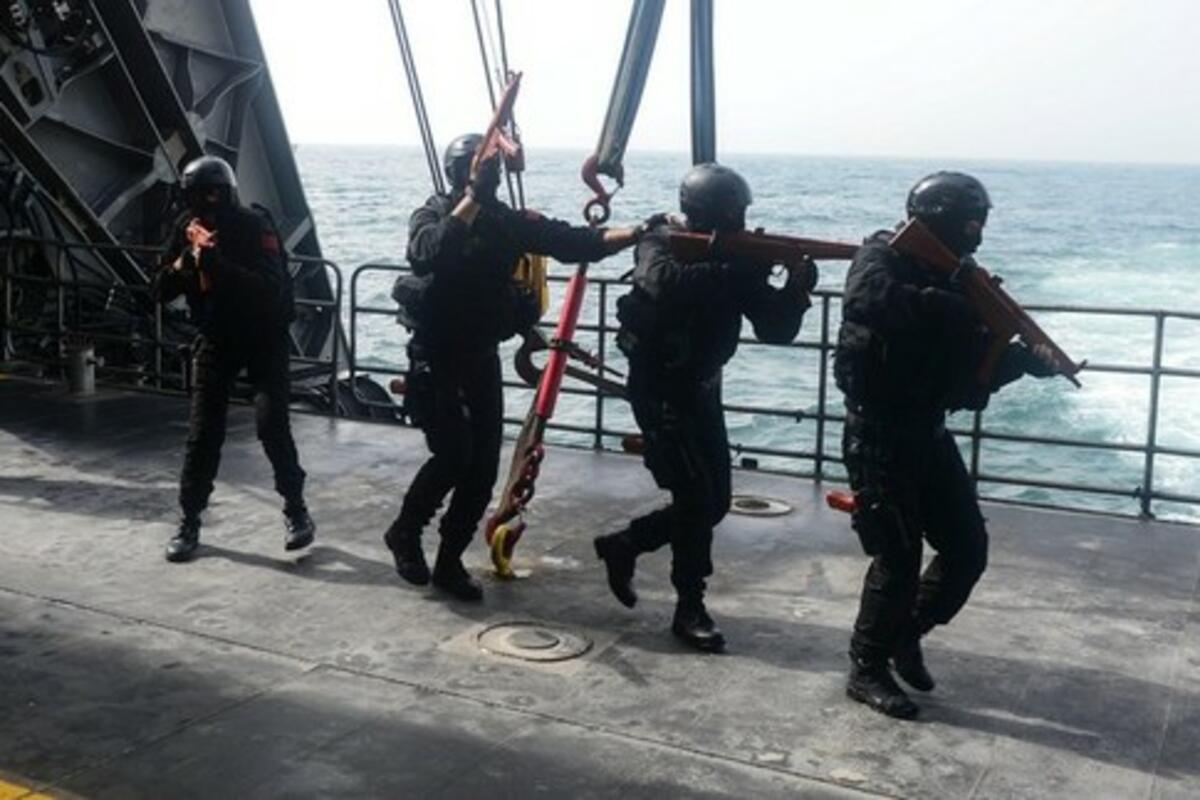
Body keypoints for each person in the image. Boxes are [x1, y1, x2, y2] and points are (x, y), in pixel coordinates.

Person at [835, 171, 1059, 718]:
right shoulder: (882, 256)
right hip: (877, 431)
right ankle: (866, 667)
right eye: (968, 224)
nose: (977, 234)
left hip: (928, 430)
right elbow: (868, 299)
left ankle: (905, 633)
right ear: (938, 222)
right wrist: (952, 305)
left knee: (966, 549)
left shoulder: (961, 279)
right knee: (897, 556)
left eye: (980, 224)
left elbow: (968, 384)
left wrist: (1017, 362)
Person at [383, 133, 641, 601]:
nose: (491, 177)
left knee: (482, 469)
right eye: (481, 170)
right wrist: (472, 199)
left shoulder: (505, 221)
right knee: (453, 455)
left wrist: (637, 232)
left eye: (491, 171)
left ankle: (449, 562)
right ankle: (405, 531)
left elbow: (573, 241)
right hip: (436, 356)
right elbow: (426, 253)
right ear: (461, 173)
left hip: (480, 356)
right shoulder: (434, 212)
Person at [593, 163, 815, 652]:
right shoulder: (660, 239)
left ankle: (626, 544)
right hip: (659, 388)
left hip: (702, 389)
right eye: (734, 215)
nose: (741, 223)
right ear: (708, 214)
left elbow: (776, 329)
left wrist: (796, 290)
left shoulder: (736, 260)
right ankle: (689, 606)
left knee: (714, 503)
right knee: (695, 498)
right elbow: (662, 282)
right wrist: (735, 268)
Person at [156, 155, 315, 563]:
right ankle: (190, 519)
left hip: (264, 337)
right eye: (197, 196)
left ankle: (296, 508)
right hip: (217, 336)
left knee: (271, 425)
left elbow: (270, 288)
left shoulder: (254, 226)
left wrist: (218, 265)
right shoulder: (186, 229)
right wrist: (186, 261)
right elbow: (159, 289)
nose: (206, 203)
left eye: (212, 194)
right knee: (203, 433)